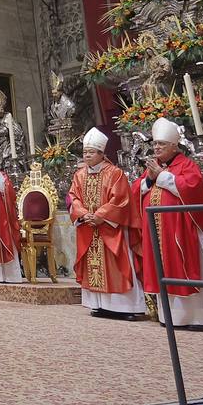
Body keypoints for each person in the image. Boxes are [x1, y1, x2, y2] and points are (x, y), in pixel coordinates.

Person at [135, 118, 203, 329]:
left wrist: (163, 176)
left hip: (184, 231)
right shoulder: (154, 167)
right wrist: (149, 180)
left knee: (190, 266)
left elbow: (193, 189)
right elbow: (136, 192)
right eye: (155, 144)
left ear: (174, 146)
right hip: (160, 232)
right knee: (164, 268)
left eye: (161, 144)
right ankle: (171, 317)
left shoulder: (186, 166)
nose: (156, 147)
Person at [68, 128, 145, 317]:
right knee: (93, 265)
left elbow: (121, 199)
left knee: (116, 264)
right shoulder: (79, 175)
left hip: (111, 228)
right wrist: (84, 214)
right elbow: (73, 197)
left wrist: (101, 215)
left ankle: (124, 307)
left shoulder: (115, 173)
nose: (87, 155)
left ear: (102, 153)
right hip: (89, 227)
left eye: (91, 152)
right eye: (85, 152)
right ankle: (99, 304)